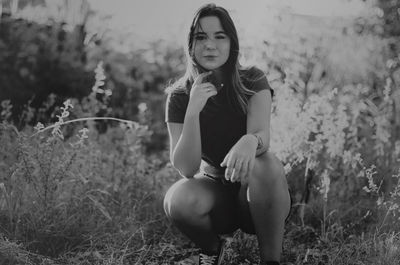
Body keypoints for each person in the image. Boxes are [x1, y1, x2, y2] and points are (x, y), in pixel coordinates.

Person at [163, 3, 291, 265]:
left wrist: (249, 139)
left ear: (232, 43)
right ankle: (212, 250)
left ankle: (271, 260)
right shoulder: (179, 95)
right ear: (191, 45)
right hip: (217, 196)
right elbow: (186, 169)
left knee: (264, 164)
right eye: (201, 37)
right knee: (177, 200)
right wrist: (192, 111)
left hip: (257, 194)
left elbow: (262, 135)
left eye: (219, 36)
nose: (210, 45)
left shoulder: (252, 79)